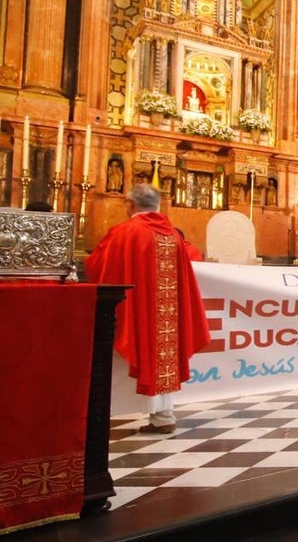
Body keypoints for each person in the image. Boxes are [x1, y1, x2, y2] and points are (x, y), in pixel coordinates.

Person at [85, 184, 210, 435]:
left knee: (124, 354)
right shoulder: (173, 236)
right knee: (164, 357)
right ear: (158, 205)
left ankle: (105, 417)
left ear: (130, 204)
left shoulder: (124, 232)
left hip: (135, 313)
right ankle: (164, 416)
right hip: (167, 318)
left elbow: (97, 267)